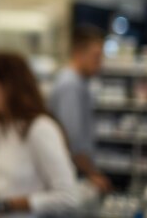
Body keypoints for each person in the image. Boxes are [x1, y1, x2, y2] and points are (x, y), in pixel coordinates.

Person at [0, 52, 79, 217]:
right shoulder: (3, 127)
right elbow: (6, 180)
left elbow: (68, 197)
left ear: (7, 86)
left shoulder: (40, 128)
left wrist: (9, 204)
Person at [49, 26, 112, 193]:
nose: (100, 63)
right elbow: (72, 138)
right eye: (96, 56)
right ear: (78, 53)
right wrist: (92, 174)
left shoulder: (80, 83)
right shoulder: (70, 85)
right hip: (73, 174)